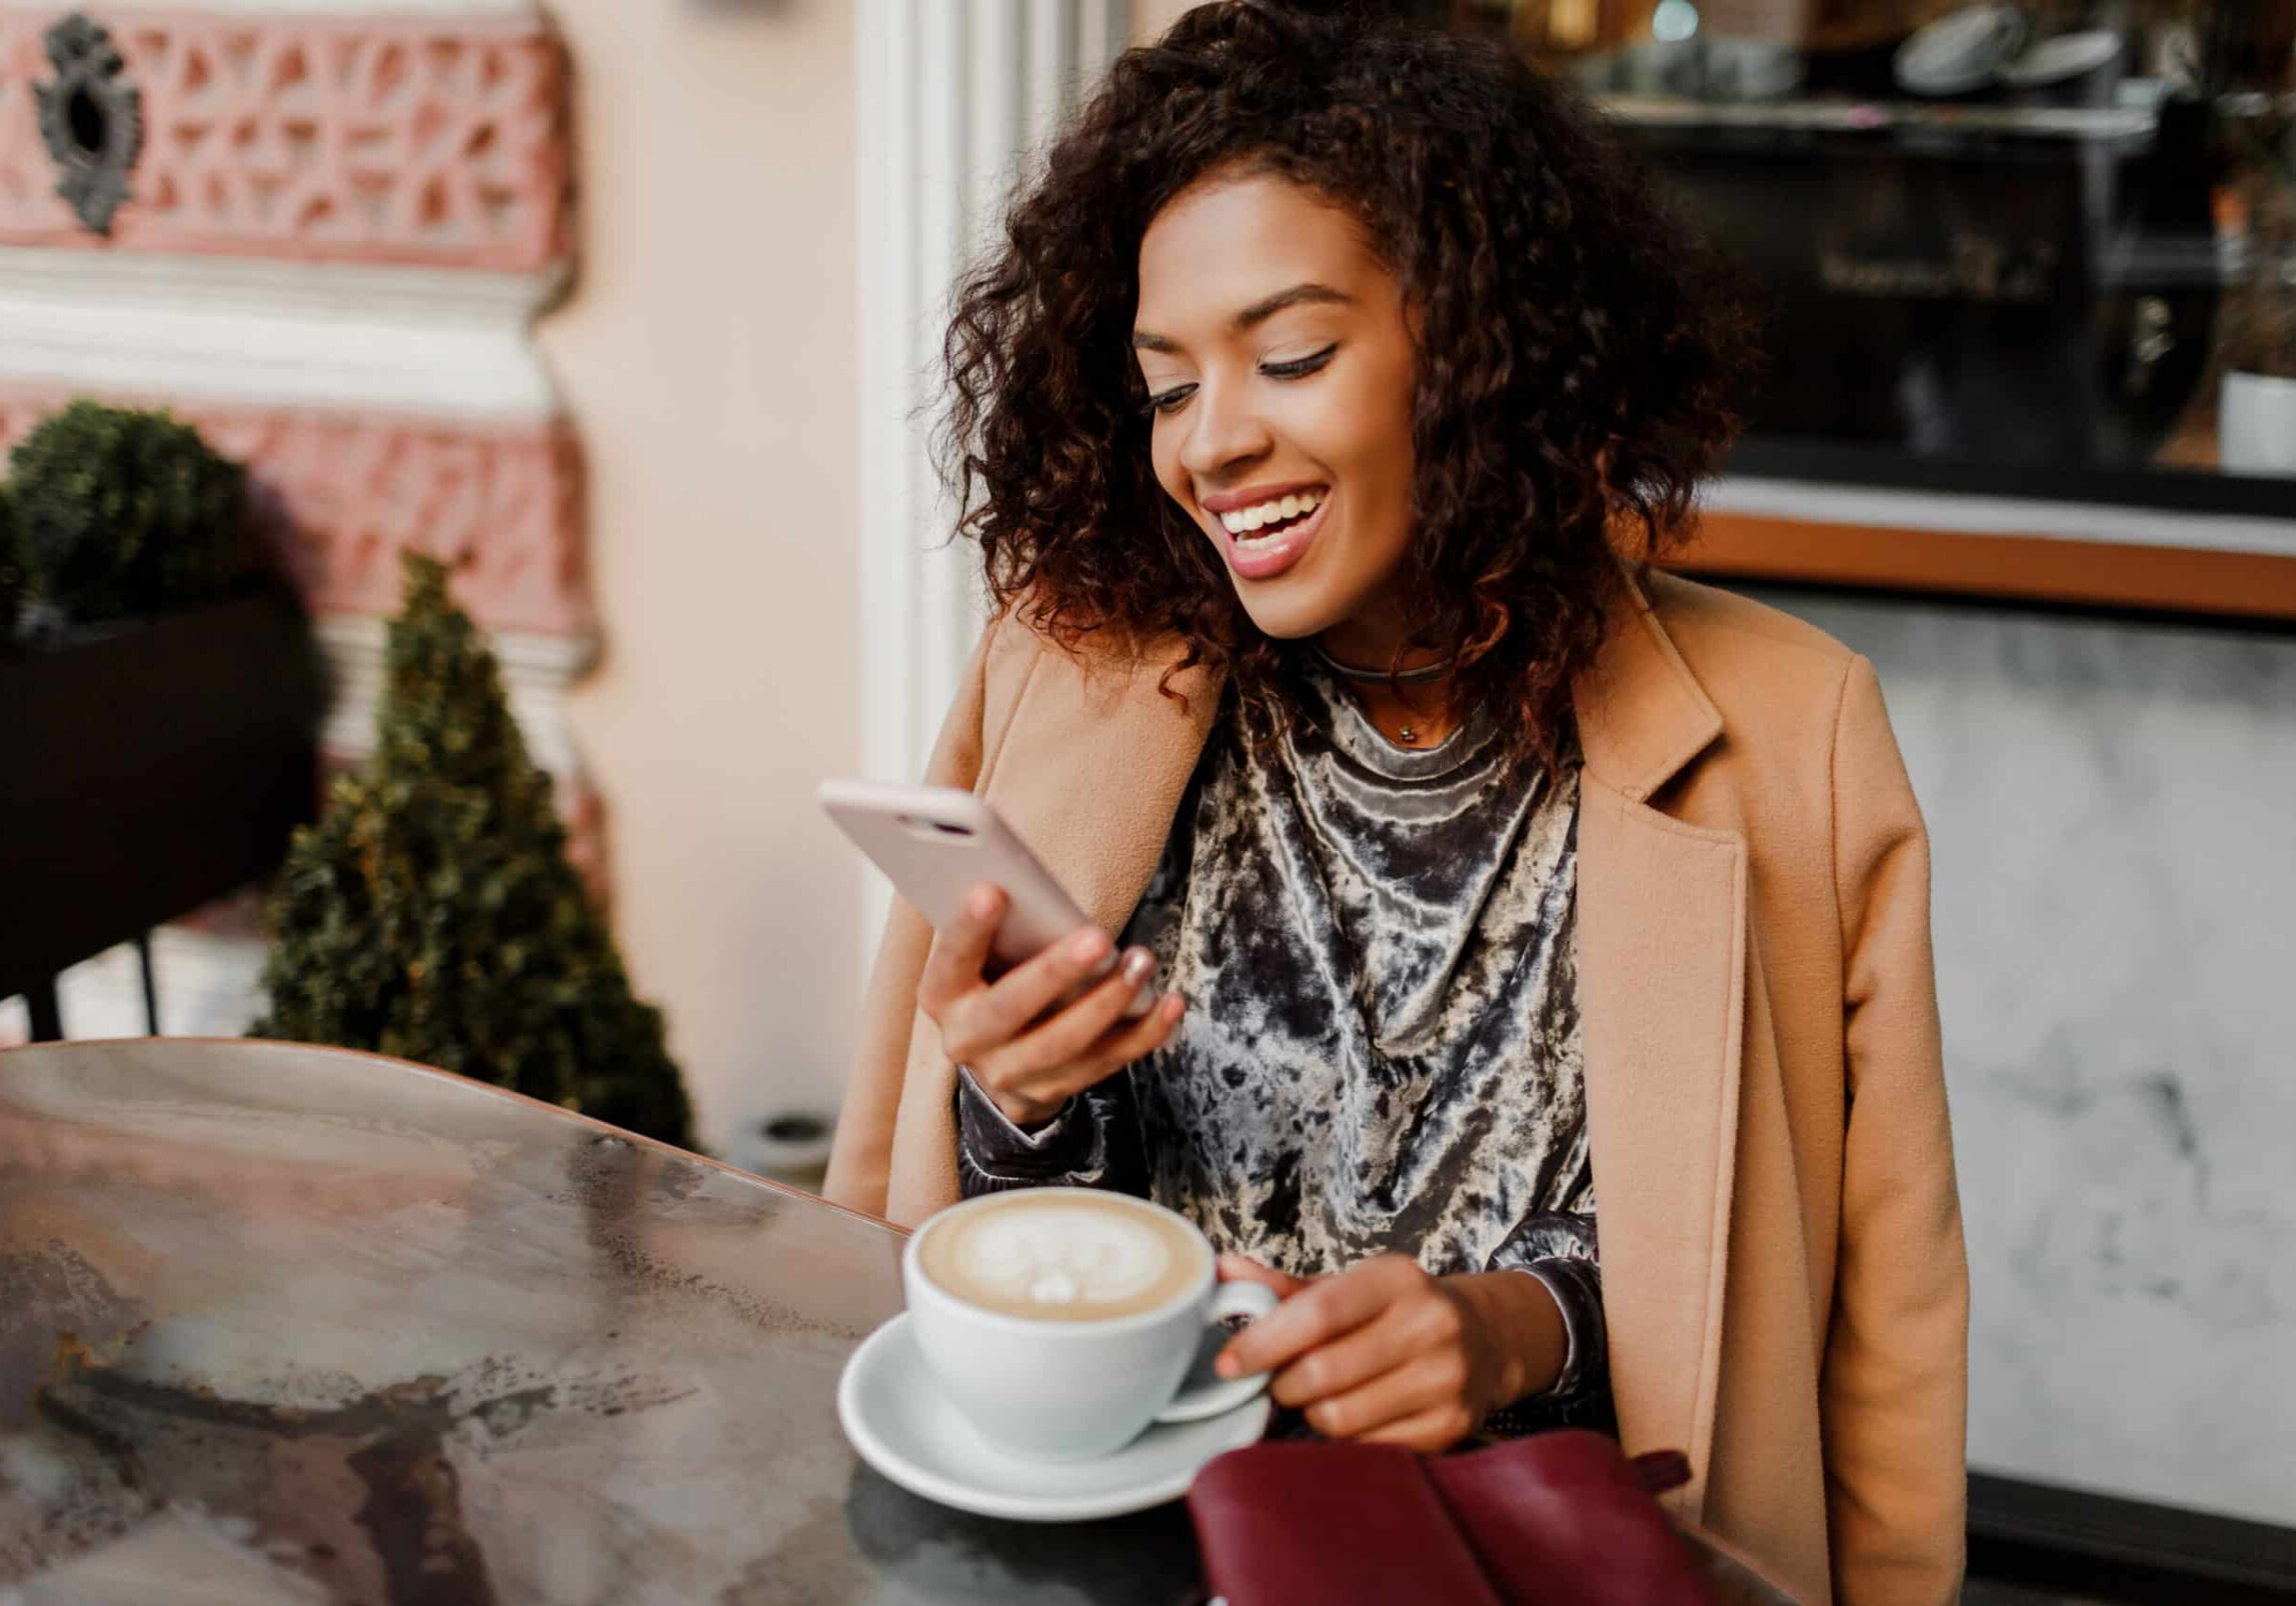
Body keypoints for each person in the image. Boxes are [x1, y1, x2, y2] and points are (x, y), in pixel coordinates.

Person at [825, 6, 1967, 1600]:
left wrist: (1509, 1327)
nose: (1215, 443)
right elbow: (956, 1243)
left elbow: (1879, 1329)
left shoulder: (1798, 737)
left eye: (1290, 354)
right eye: (1166, 386)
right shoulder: (1059, 675)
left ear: (1481, 341)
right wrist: (1021, 1101)